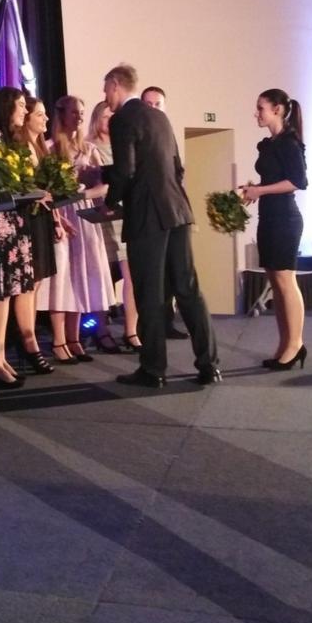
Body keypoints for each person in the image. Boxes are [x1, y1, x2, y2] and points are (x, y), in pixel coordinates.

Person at [103, 64, 220, 386]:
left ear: (116, 84)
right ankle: (209, 364)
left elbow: (126, 171)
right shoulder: (159, 118)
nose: (105, 95)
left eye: (106, 88)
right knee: (188, 289)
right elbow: (174, 167)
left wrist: (110, 200)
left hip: (148, 216)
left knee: (149, 293)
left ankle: (153, 369)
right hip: (177, 210)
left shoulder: (122, 119)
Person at [38, 95, 116, 362]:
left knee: (81, 275)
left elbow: (104, 186)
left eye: (82, 112)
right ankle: (59, 340)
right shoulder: (49, 148)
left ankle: (74, 338)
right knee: (62, 276)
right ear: (61, 115)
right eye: (74, 112)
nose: (80, 117)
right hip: (61, 214)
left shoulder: (89, 149)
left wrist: (84, 193)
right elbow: (44, 188)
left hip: (84, 214)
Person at [239, 89, 309, 369]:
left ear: (277, 110)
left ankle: (295, 344)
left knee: (285, 281)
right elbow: (274, 180)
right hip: (269, 217)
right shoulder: (271, 144)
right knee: (276, 284)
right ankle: (285, 345)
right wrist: (254, 190)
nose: (256, 113)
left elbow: (298, 182)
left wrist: (260, 190)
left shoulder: (289, 143)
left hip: (284, 219)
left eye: (261, 108)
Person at [0, 87, 37, 388]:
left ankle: (0, 357)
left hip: (14, 220)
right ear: (6, 107)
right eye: (21, 105)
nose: (25, 111)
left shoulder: (13, 140)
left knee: (9, 292)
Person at [86, 100, 138, 353]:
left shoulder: (124, 146)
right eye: (105, 117)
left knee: (131, 276)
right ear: (97, 119)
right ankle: (101, 330)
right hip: (101, 217)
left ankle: (131, 331)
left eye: (112, 117)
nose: (109, 122)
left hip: (124, 216)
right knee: (101, 275)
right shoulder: (89, 147)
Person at [15, 95, 61, 371]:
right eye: (40, 114)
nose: (46, 119)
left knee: (38, 281)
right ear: (27, 119)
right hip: (27, 219)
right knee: (29, 283)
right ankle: (28, 341)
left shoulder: (40, 148)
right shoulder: (21, 147)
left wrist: (57, 219)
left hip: (42, 218)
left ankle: (29, 337)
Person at [141, 85, 189, 341]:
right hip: (148, 214)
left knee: (176, 273)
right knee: (153, 275)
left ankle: (168, 322)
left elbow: (177, 169)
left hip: (172, 211)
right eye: (148, 104)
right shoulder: (137, 133)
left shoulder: (168, 133)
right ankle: (151, 329)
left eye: (157, 104)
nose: (153, 109)